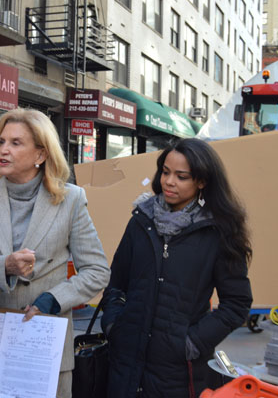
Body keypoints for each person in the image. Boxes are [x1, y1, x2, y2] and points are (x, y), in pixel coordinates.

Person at [0, 108, 110, 398]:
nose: (4, 150)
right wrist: (5, 266)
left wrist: (53, 299)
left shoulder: (70, 200)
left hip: (43, 344)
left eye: (16, 143)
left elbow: (97, 271)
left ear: (40, 154)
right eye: (1, 142)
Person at [100, 138, 253, 398]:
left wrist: (191, 344)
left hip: (177, 373)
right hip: (125, 362)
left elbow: (236, 303)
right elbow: (116, 283)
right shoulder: (141, 221)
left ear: (202, 181)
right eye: (165, 172)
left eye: (181, 176)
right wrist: (115, 325)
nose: (169, 182)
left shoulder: (218, 232)